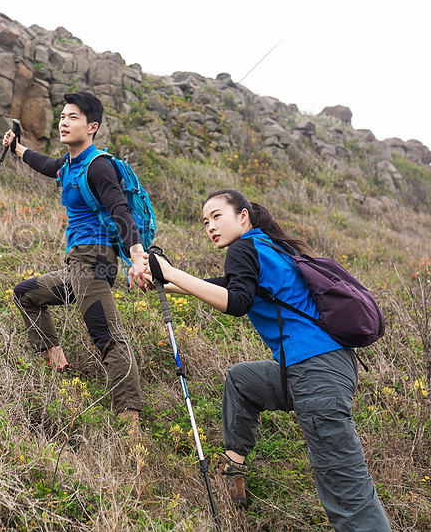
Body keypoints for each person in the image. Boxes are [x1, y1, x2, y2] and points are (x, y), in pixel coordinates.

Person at [142, 189, 391, 531]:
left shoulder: (243, 248)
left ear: (242, 216)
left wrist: (170, 272)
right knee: (243, 381)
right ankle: (234, 469)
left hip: (315, 370)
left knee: (345, 488)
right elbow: (226, 286)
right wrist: (163, 281)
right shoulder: (266, 246)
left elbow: (237, 302)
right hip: (325, 368)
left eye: (217, 216)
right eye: (204, 221)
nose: (210, 226)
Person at [2, 91, 148, 425]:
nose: (64, 123)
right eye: (63, 116)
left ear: (92, 126)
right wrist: (17, 147)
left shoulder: (97, 166)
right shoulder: (69, 166)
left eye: (74, 118)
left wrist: (137, 257)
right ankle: (59, 365)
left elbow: (119, 209)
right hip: (79, 267)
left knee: (109, 338)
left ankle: (131, 424)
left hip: (94, 263)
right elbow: (44, 164)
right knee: (25, 294)